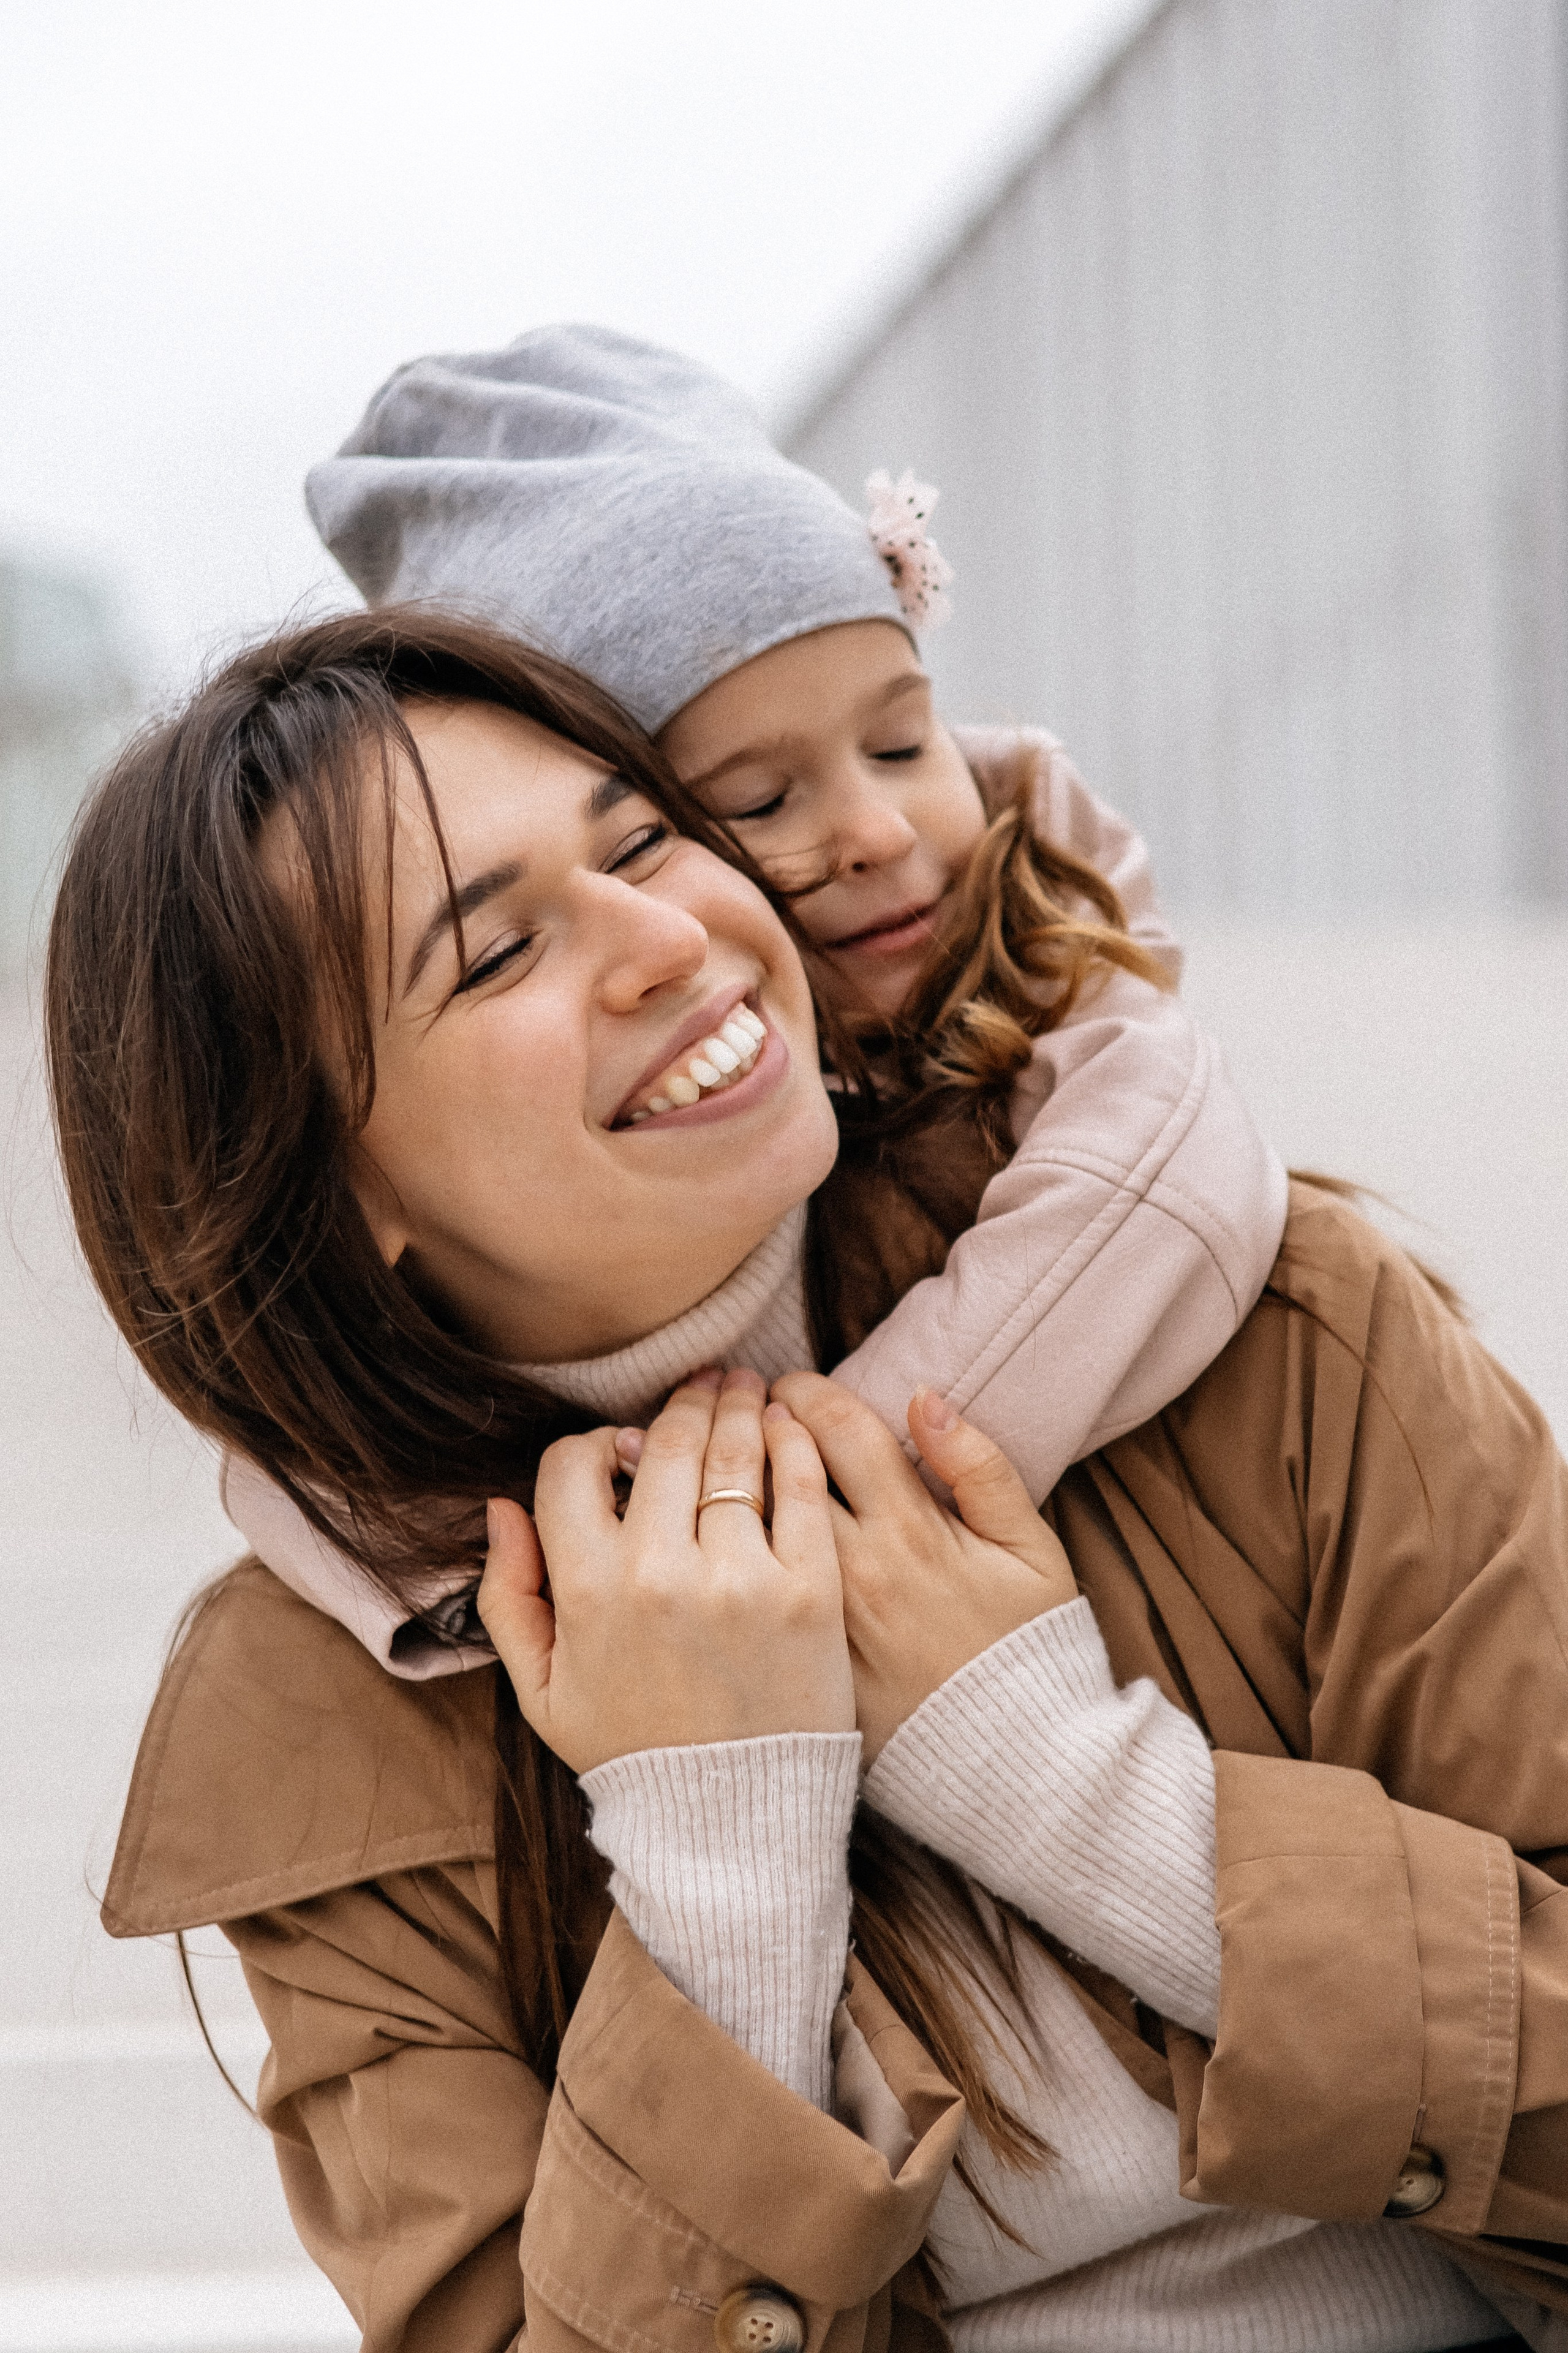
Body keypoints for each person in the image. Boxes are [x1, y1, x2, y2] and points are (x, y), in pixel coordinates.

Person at [51, 611, 1566, 2353]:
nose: (667, 937)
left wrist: (1066, 1788)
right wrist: (720, 1863)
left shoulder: (1260, 1318)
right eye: (492, 958)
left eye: (641, 840)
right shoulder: (322, 1712)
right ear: (328, 1192)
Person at [221, 323, 1288, 1667]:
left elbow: (1161, 1177)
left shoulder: (1044, 954)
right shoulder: (290, 1677)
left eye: (903, 740)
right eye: (753, 802)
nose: (876, 832)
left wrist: (814, 1514)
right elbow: (304, 1467)